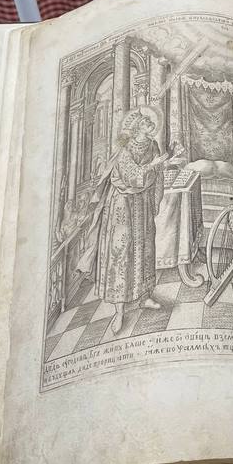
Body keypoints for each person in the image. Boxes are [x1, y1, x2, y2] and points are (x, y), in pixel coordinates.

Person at [79, 107, 169, 333]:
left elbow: (157, 176)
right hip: (122, 205)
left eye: (151, 123)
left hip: (143, 203)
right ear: (138, 128)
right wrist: (154, 165)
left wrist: (155, 196)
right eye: (147, 123)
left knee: (145, 249)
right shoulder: (125, 149)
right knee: (121, 253)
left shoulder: (153, 146)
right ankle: (119, 312)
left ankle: (144, 296)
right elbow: (131, 176)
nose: (151, 126)